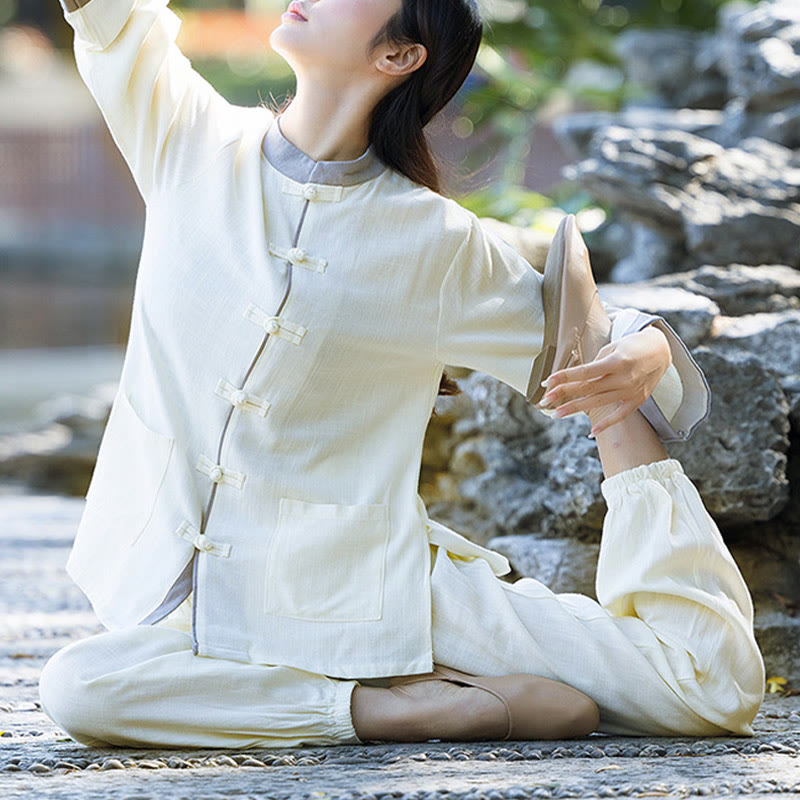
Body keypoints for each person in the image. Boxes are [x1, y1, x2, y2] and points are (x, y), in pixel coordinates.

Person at [37, 0, 765, 748]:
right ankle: (394, 707)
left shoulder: (437, 244)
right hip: (188, 593)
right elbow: (112, 17)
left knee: (704, 684)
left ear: (399, 55)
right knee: (81, 685)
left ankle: (390, 675)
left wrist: (643, 350)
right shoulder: (187, 140)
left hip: (382, 587)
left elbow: (591, 342)